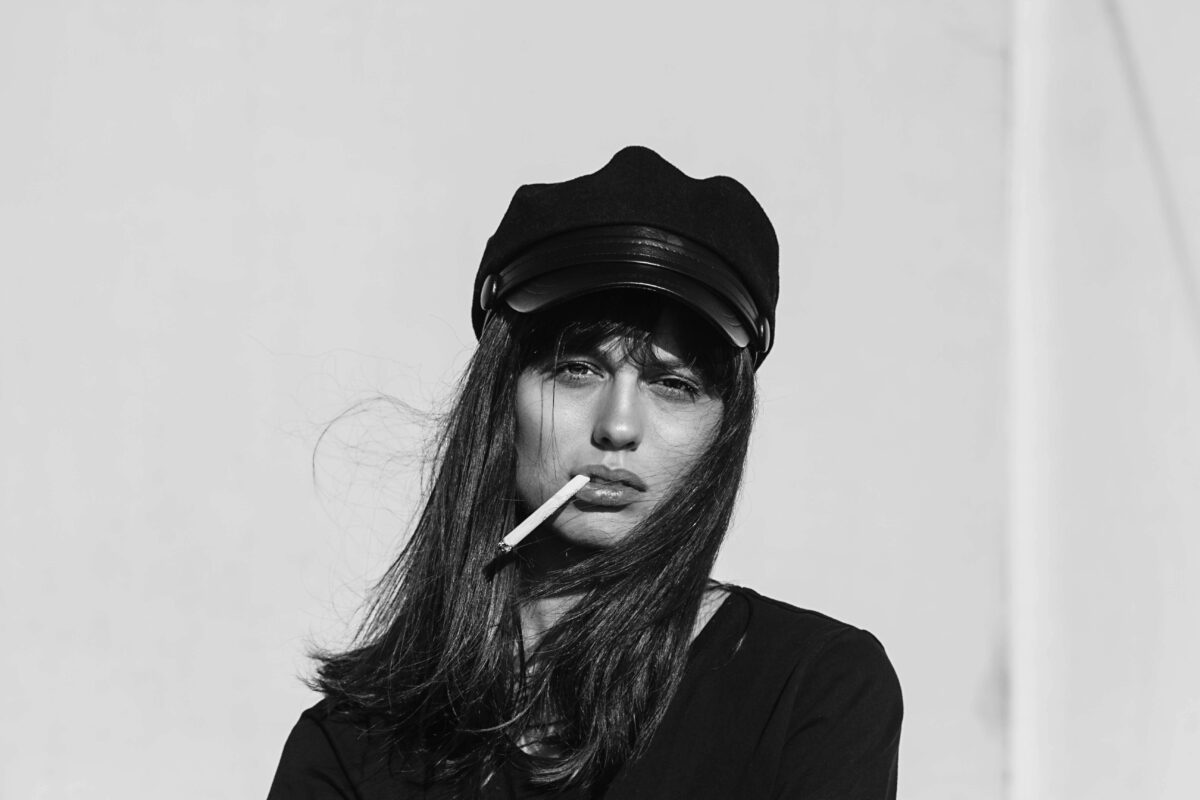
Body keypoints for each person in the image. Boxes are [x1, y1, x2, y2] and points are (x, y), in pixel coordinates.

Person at [267, 146, 903, 799]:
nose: (618, 426)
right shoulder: (352, 742)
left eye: (674, 384)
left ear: (723, 430)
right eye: (578, 369)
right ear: (502, 396)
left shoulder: (812, 690)